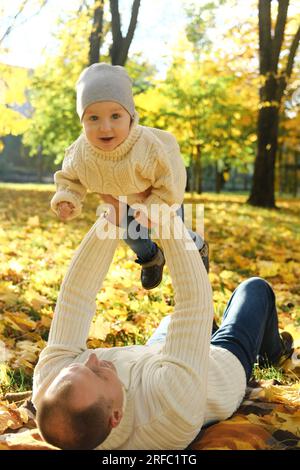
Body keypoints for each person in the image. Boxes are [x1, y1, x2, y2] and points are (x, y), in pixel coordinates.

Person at [32, 200, 294, 450]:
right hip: (217, 368)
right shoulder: (170, 410)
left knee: (173, 322)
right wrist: (166, 218)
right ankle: (273, 352)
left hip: (155, 360)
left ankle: (205, 328)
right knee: (255, 289)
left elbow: (75, 296)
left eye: (80, 367)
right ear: (116, 416)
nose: (90, 360)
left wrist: (111, 216)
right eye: (98, 373)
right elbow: (194, 304)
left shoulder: (52, 384)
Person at [50, 62, 209, 290]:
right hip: (123, 199)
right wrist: (67, 198)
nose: (105, 128)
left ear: (130, 115)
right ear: (82, 121)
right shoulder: (80, 152)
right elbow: (70, 178)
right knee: (131, 235)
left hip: (159, 196)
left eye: (115, 116)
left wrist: (155, 207)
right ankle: (152, 258)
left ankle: (197, 245)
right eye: (93, 118)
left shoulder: (147, 147)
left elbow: (170, 178)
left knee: (175, 237)